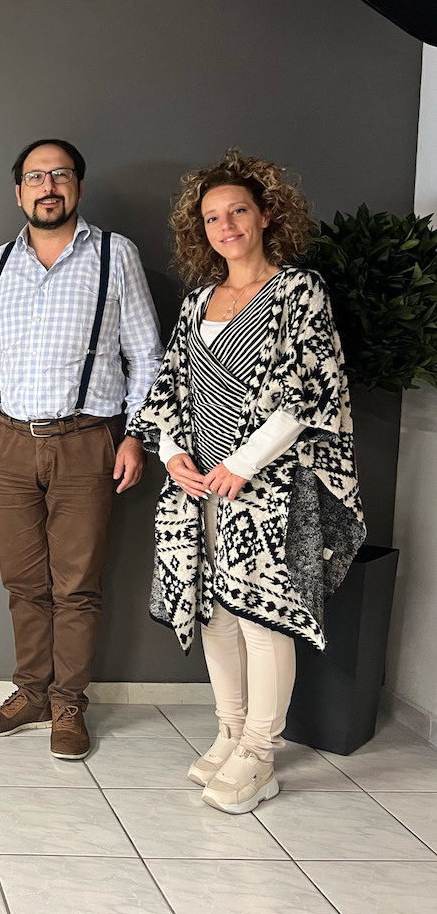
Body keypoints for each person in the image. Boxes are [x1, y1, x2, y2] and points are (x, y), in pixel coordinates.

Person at [128, 150, 365, 813]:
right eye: (212, 217)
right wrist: (172, 453)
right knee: (214, 610)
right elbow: (170, 388)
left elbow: (309, 391)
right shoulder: (197, 302)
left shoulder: (299, 292)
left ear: (265, 216)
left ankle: (261, 751)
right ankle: (230, 731)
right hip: (198, 484)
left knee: (263, 617)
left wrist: (243, 463)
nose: (226, 225)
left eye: (237, 211)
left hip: (267, 486)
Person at [0, 139, 164, 760]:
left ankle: (68, 702)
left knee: (77, 584)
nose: (48, 187)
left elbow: (146, 356)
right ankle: (30, 693)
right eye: (36, 177)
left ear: (78, 186)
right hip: (11, 440)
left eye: (60, 175)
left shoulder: (115, 255)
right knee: (22, 581)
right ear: (19, 191)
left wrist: (136, 435)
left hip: (88, 442)